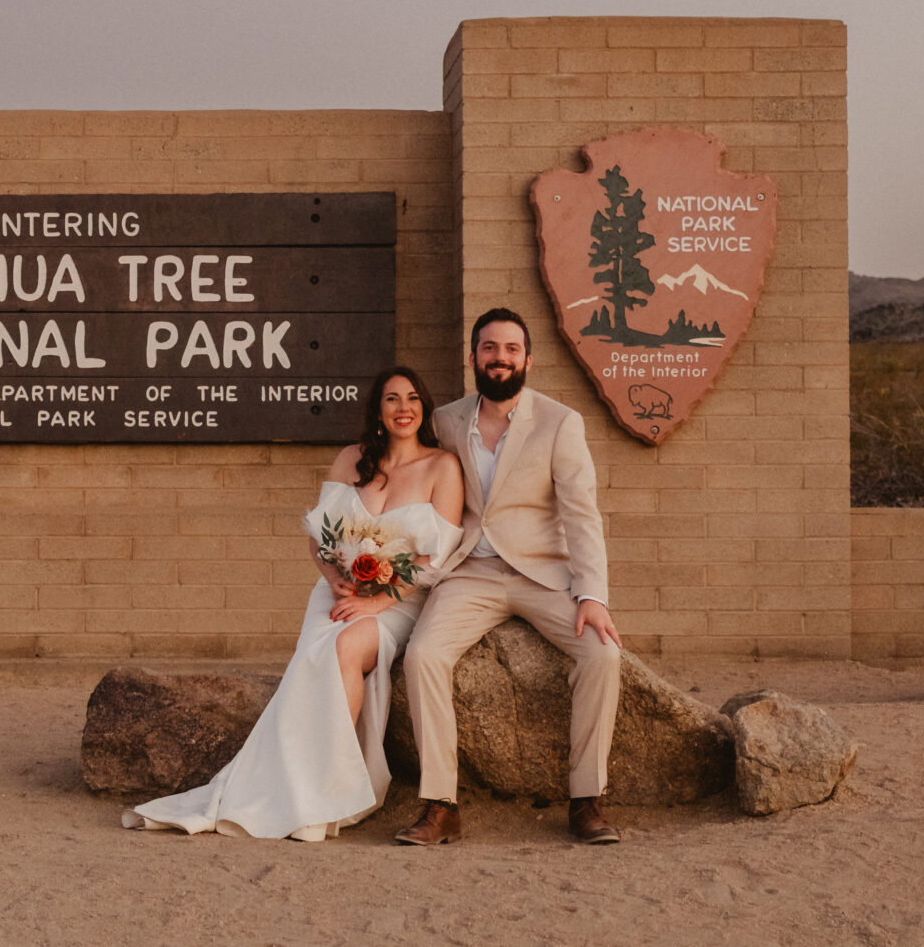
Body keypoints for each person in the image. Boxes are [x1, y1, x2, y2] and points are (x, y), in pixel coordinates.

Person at [122, 366, 464, 841]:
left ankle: (325, 790)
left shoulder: (442, 467)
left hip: (399, 602)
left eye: (411, 398)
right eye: (391, 399)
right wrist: (335, 578)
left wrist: (377, 600)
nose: (403, 408)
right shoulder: (352, 459)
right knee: (323, 651)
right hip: (337, 592)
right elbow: (318, 538)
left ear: (423, 407)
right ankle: (300, 786)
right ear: (378, 411)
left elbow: (434, 559)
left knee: (345, 647)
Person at [393, 308, 624, 847]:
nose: (500, 357)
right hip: (470, 572)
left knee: (603, 655)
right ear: (473, 356)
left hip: (545, 574)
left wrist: (592, 594)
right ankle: (440, 804)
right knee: (423, 654)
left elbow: (581, 514)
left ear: (527, 358)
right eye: (490, 348)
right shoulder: (446, 420)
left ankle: (586, 800)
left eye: (512, 349)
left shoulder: (560, 422)